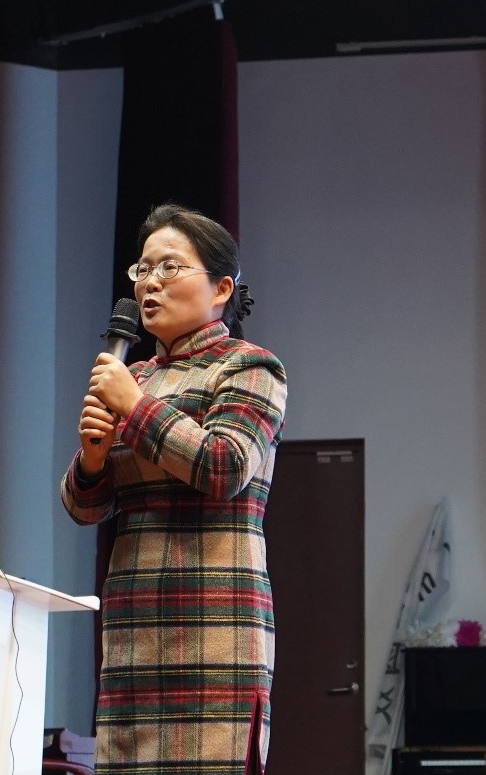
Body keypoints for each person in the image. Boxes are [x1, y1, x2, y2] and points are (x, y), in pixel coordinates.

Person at [60, 203, 288, 775]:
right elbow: (85, 509)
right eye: (143, 270)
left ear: (221, 289)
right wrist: (92, 459)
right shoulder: (133, 375)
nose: (150, 283)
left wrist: (134, 407)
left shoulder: (250, 368)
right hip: (133, 631)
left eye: (169, 267)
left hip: (215, 632)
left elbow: (224, 467)